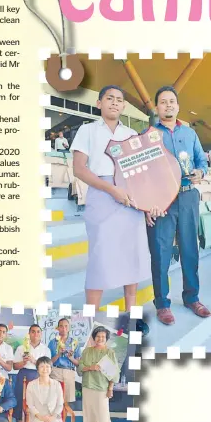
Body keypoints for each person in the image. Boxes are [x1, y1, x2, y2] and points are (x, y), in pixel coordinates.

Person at [70, 85, 151, 312]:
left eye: (119, 99)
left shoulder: (132, 135)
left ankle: (130, 314)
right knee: (100, 258)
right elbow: (79, 169)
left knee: (131, 256)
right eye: (109, 98)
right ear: (99, 103)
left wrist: (144, 205)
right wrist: (111, 189)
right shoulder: (87, 130)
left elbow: (140, 172)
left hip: (129, 199)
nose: (114, 102)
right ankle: (90, 317)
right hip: (102, 197)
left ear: (124, 106)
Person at [147, 86, 211, 326]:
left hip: (187, 196)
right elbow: (144, 174)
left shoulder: (190, 134)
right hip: (161, 201)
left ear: (178, 106)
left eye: (172, 101)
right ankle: (162, 304)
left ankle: (191, 298)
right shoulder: (150, 135)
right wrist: (147, 205)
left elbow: (201, 160)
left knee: (189, 250)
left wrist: (200, 171)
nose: (168, 105)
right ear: (157, 108)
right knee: (160, 253)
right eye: (163, 102)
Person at [78, 326, 117, 422]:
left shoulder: (110, 353)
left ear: (106, 339)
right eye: (98, 336)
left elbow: (114, 373)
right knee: (88, 410)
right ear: (94, 338)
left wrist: (110, 388)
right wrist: (90, 367)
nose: (100, 338)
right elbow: (80, 367)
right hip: (88, 384)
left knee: (102, 410)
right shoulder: (86, 351)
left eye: (103, 337)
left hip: (102, 386)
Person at [25, 356, 65, 422]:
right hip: (38, 416)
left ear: (51, 369)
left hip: (54, 416)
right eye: (42, 366)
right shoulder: (31, 385)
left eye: (47, 367)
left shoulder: (56, 384)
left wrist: (53, 417)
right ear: (37, 369)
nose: (45, 369)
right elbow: (30, 405)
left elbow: (60, 404)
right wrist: (41, 417)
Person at [13, 324, 48, 422]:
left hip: (38, 377)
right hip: (23, 376)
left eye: (38, 332)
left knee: (37, 404)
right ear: (29, 334)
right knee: (19, 403)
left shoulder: (45, 349)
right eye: (33, 332)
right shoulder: (21, 348)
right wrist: (23, 362)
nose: (36, 334)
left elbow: (47, 367)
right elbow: (15, 366)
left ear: (41, 334)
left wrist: (34, 361)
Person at [49, 318, 80, 403]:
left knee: (67, 402)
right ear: (58, 328)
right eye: (61, 326)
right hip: (55, 371)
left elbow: (78, 363)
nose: (64, 328)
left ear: (69, 328)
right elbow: (49, 362)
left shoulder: (74, 343)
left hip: (69, 372)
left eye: (66, 326)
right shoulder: (52, 342)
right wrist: (58, 354)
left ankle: (65, 417)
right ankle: (55, 417)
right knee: (54, 400)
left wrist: (71, 358)